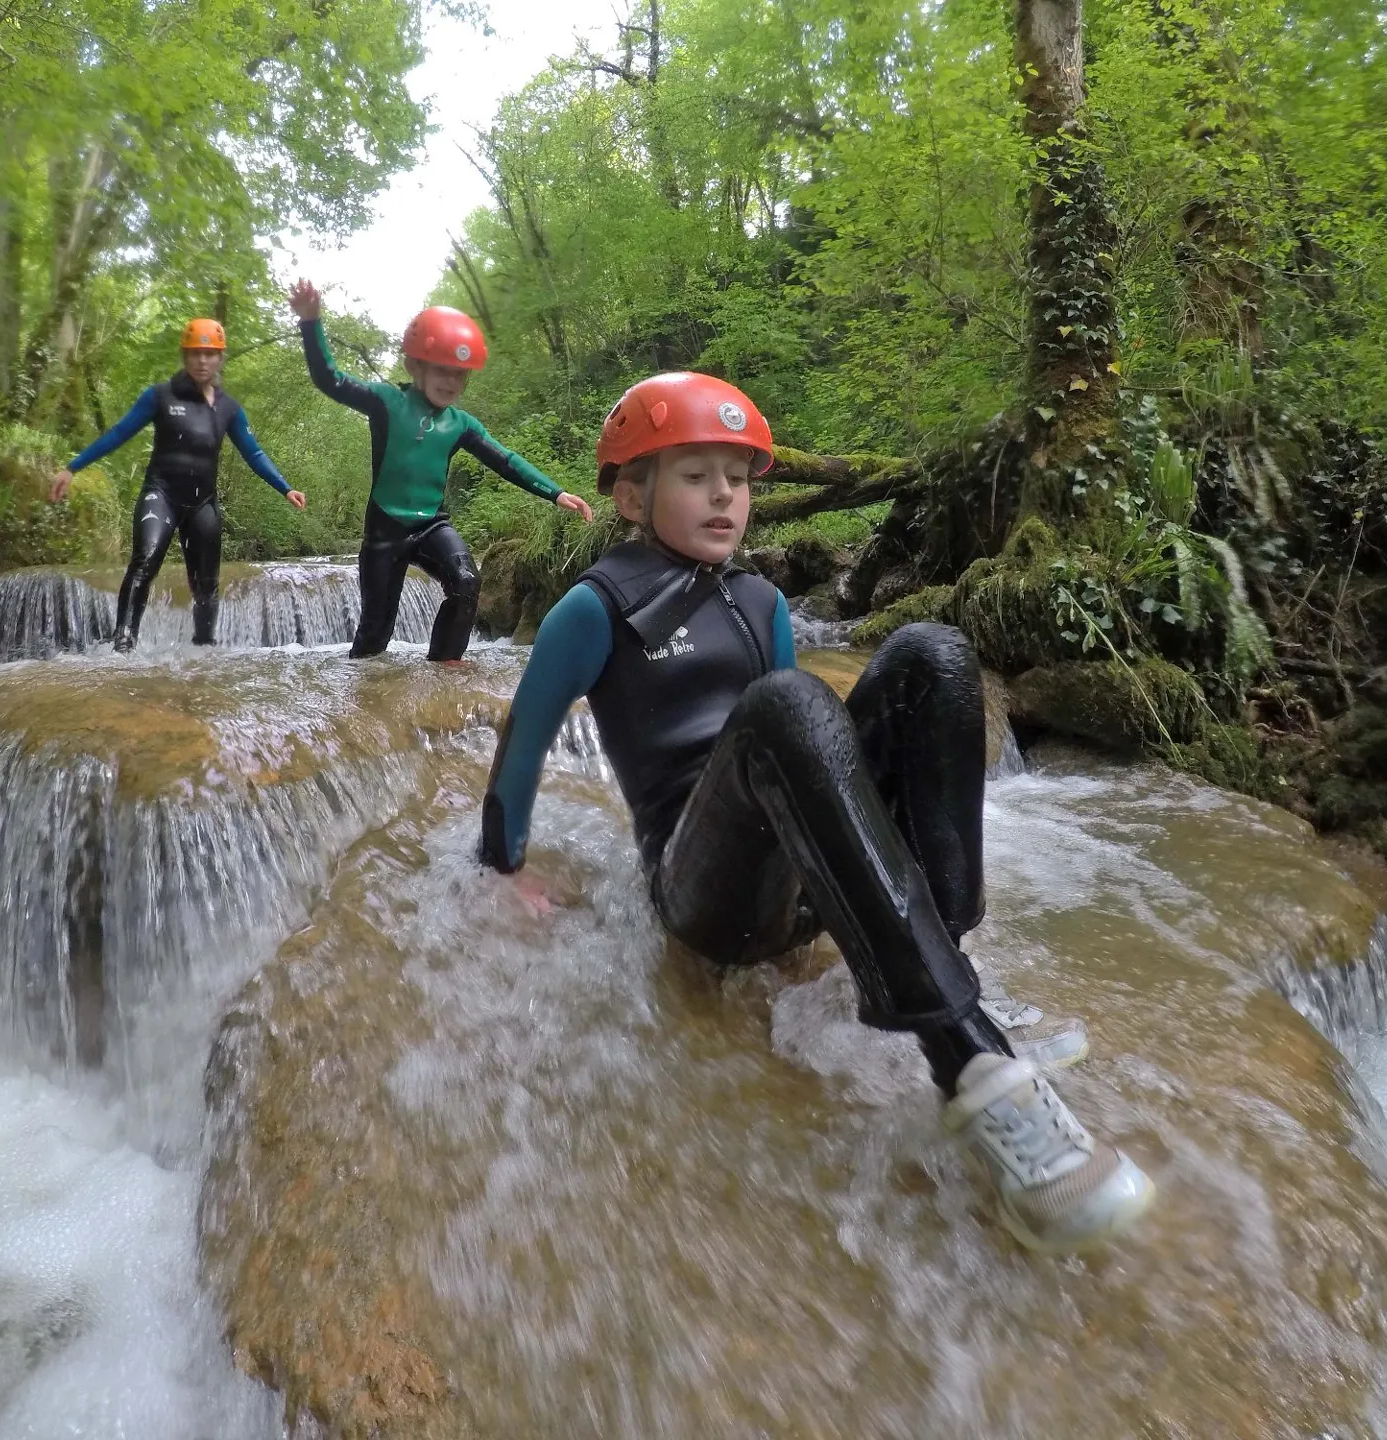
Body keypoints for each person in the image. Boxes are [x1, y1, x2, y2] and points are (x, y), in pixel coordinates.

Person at [474, 372, 1156, 1253]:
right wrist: (505, 866)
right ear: (634, 494)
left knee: (931, 655)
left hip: (794, 875)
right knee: (790, 704)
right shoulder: (595, 606)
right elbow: (524, 734)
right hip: (705, 891)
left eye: (740, 477)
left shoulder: (760, 601)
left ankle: (943, 960)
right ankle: (969, 1058)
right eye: (696, 476)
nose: (726, 495)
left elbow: (824, 752)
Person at [287, 281, 593, 662]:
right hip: (384, 533)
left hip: (432, 525)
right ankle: (364, 696)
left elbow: (506, 459)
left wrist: (555, 492)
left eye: (461, 374)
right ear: (414, 365)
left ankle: (444, 669)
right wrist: (310, 322)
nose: (452, 382)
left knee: (466, 582)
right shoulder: (387, 402)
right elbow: (329, 379)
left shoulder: (461, 423)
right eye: (443, 370)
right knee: (375, 632)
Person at [50, 318, 306, 652]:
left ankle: (204, 647)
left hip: (203, 504)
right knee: (146, 560)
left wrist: (285, 488)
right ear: (185, 356)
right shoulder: (160, 396)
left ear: (220, 358)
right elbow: (118, 433)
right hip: (162, 494)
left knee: (206, 583)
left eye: (210, 354)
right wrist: (73, 467)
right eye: (196, 353)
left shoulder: (229, 408)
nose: (203, 361)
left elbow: (253, 453)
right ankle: (122, 645)